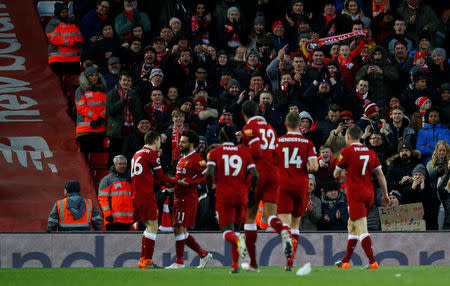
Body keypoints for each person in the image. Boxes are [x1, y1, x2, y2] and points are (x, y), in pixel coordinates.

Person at [240, 100, 292, 272]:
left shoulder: (249, 128)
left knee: (250, 217)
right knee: (269, 216)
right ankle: (283, 231)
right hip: (274, 174)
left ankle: (253, 263)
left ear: (244, 113)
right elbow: (277, 153)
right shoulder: (270, 129)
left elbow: (254, 152)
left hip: (258, 174)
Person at [333, 125, 390, 269]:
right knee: (351, 226)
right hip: (369, 193)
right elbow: (380, 175)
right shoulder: (371, 152)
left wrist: (346, 174)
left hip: (355, 194)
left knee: (361, 228)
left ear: (348, 137)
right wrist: (385, 195)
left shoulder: (346, 151)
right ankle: (346, 260)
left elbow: (336, 174)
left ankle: (372, 261)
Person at [206, 126, 259, 274]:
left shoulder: (214, 152)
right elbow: (255, 175)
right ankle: (234, 265)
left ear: (221, 137)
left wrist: (210, 190)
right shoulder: (244, 152)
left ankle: (236, 241)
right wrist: (252, 190)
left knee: (227, 231)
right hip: (241, 195)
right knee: (237, 229)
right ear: (235, 138)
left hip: (224, 195)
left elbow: (209, 174)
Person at [165, 129, 213, 269]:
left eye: (183, 142)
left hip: (188, 198)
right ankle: (203, 255)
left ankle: (179, 262)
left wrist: (191, 183)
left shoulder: (198, 159)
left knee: (180, 228)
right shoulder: (181, 158)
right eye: (180, 141)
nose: (180, 144)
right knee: (178, 229)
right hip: (178, 197)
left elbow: (207, 177)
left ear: (191, 143)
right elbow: (180, 178)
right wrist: (173, 185)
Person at [277, 111, 318, 271]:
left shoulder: (277, 142)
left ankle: (287, 254)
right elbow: (314, 167)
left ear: (286, 124)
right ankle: (290, 261)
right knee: (295, 224)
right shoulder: (307, 142)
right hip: (301, 185)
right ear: (300, 125)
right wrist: (303, 167)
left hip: (283, 184)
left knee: (285, 224)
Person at [131, 131, 176, 269]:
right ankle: (147, 261)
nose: (160, 145)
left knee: (149, 226)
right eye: (160, 142)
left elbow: (149, 178)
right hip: (146, 195)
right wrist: (177, 182)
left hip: (136, 195)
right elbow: (161, 177)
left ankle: (143, 260)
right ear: (155, 140)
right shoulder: (151, 154)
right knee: (153, 226)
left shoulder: (136, 154)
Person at [106, 70, 145, 165]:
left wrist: (132, 101)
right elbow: (110, 111)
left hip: (131, 131)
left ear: (131, 83)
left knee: (128, 157)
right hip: (116, 131)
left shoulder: (135, 94)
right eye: (124, 80)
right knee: (114, 159)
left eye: (128, 81)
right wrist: (123, 101)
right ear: (120, 81)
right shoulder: (112, 93)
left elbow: (139, 112)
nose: (126, 82)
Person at [74, 66, 107, 159]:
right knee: (85, 160)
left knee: (98, 158)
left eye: (96, 75)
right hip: (85, 131)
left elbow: (107, 106)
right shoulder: (80, 90)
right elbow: (81, 107)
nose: (94, 77)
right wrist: (97, 118)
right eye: (91, 75)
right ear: (86, 77)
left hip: (100, 130)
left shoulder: (103, 89)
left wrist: (100, 118)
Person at [45, 2, 84, 77]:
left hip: (74, 60)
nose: (65, 14)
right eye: (63, 12)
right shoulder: (52, 23)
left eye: (66, 12)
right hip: (58, 60)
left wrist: (79, 42)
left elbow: (80, 37)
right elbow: (54, 39)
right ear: (57, 13)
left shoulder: (72, 24)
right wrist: (73, 43)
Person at [98, 155, 134, 230]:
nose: (123, 166)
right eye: (120, 164)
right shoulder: (107, 180)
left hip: (128, 220)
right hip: (112, 220)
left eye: (124, 164)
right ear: (115, 165)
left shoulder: (131, 179)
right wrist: (107, 214)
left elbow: (134, 197)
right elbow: (102, 198)